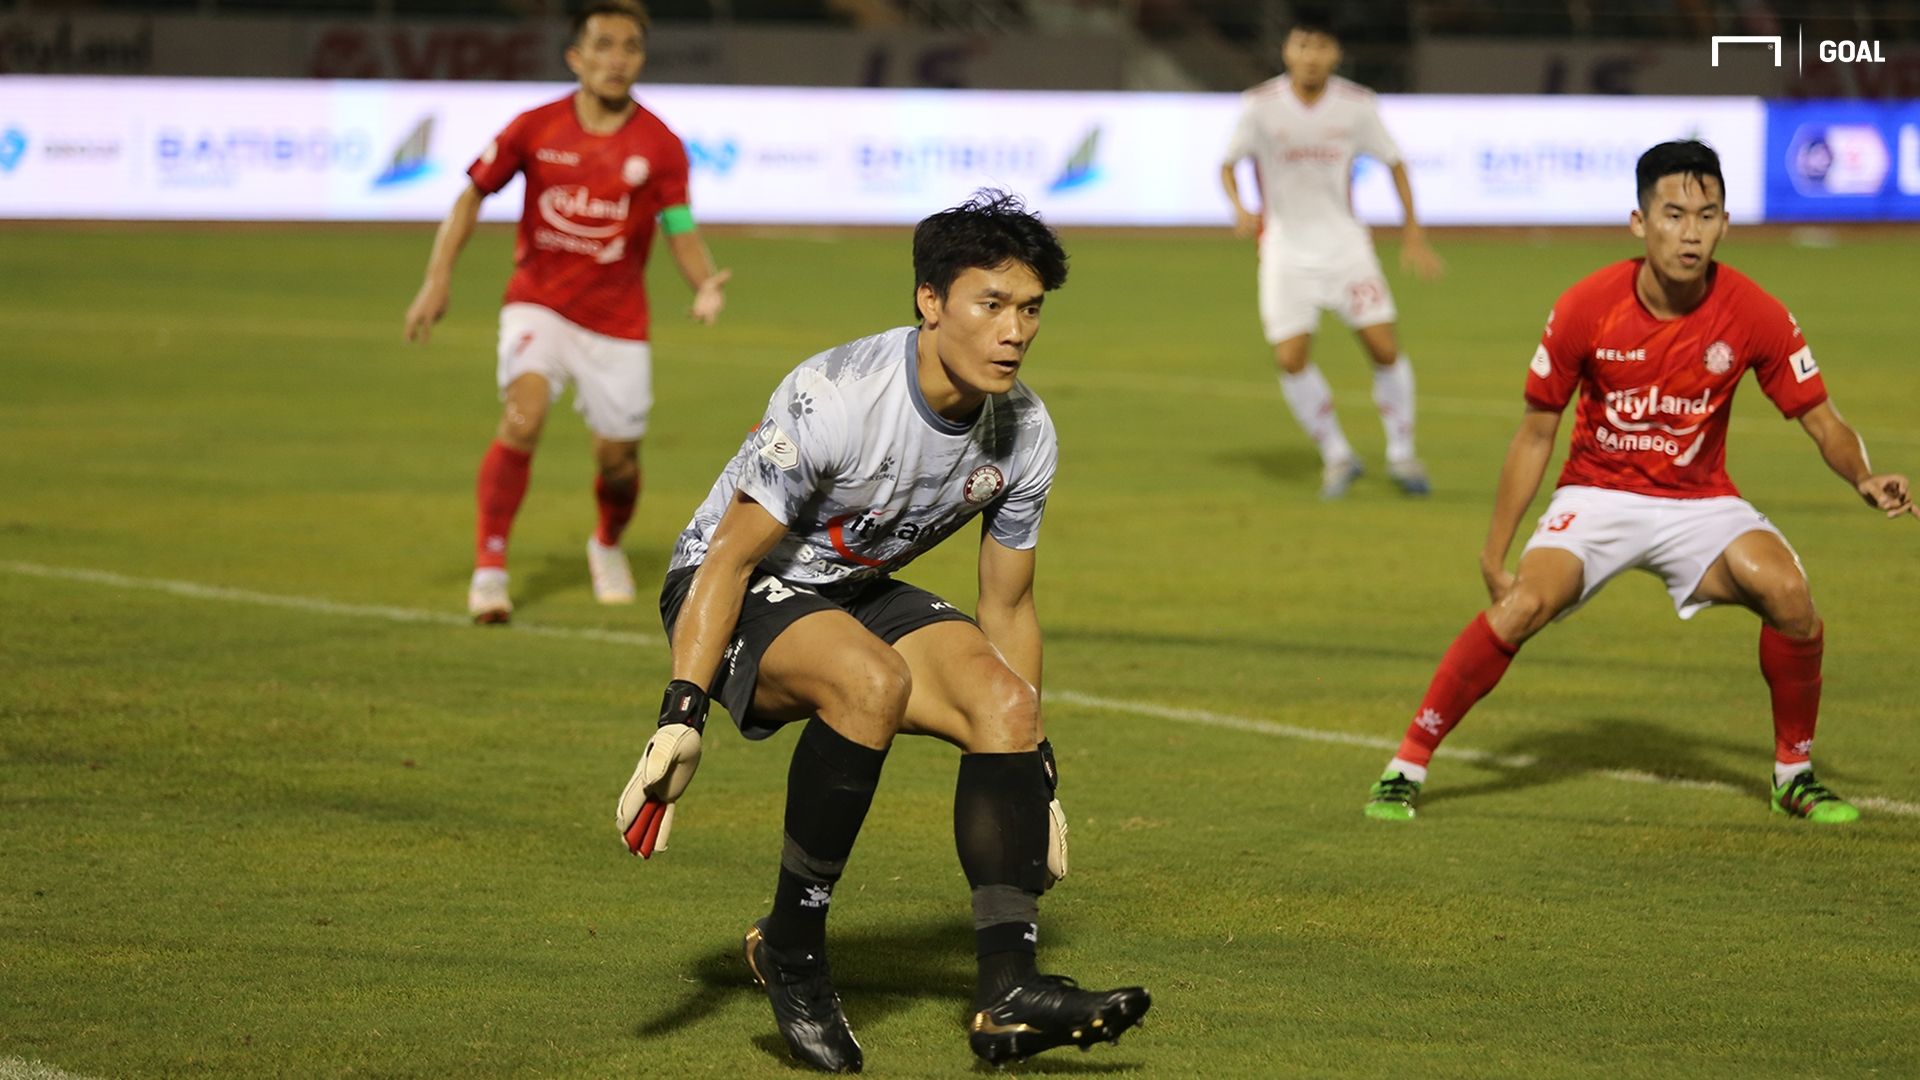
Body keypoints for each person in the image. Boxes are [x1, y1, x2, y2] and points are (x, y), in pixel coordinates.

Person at [615, 190, 1149, 1071]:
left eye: (1030, 309)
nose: (1014, 330)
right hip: (742, 586)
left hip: (855, 590)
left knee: (1005, 708)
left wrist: (1035, 778)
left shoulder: (1024, 431)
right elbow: (725, 560)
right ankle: (792, 946)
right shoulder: (837, 397)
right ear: (930, 301)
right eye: (992, 304)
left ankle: (1008, 997)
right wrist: (681, 712)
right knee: (870, 681)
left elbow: (1008, 607)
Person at [1362, 140, 1916, 824]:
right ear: (1639, 221)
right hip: (1597, 495)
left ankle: (1794, 775)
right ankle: (1406, 765)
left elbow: (1822, 419)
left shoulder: (1754, 311)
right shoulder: (1586, 306)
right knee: (1522, 606)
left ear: (1725, 224)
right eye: (1674, 214)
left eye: (1707, 216)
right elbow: (1537, 432)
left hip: (1699, 501)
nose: (1691, 233)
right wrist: (1494, 551)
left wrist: (1863, 475)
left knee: (1791, 595)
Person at [402, 0, 730, 624]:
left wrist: (703, 282)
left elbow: (679, 223)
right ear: (575, 57)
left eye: (629, 47)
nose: (616, 58)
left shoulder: (659, 144)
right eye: (603, 45)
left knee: (618, 462)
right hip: (538, 305)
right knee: (522, 419)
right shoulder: (534, 127)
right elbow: (471, 194)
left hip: (617, 322)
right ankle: (490, 569)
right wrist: (436, 278)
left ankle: (606, 544)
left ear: (641, 59)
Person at [1219, 14, 1444, 500]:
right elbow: (1229, 163)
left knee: (1383, 348)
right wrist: (1239, 207)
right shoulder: (1259, 106)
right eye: (1303, 45)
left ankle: (1402, 453)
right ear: (1287, 51)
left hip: (1346, 248)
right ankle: (1338, 455)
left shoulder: (1357, 105)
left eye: (1322, 46)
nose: (1312, 56)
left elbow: (1396, 162)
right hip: (1284, 250)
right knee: (1290, 357)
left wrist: (1412, 233)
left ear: (1335, 54)